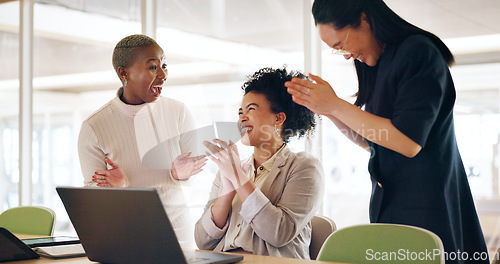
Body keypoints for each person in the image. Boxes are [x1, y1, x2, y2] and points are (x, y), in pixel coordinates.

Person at [285, 0, 489, 263]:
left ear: (364, 19)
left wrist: (336, 104)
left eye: (341, 44)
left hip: (427, 206)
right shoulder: (378, 64)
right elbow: (375, 142)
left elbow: (407, 142)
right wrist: (330, 111)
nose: (346, 54)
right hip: (390, 206)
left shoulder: (418, 52)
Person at [77, 34, 206, 248]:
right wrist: (117, 189)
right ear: (124, 72)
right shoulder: (94, 126)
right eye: (153, 67)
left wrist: (176, 175)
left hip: (177, 230)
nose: (163, 75)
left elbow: (192, 177)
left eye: (164, 65)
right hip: (125, 231)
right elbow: (93, 197)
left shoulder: (178, 112)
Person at [194, 67, 324, 259]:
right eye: (240, 112)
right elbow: (203, 240)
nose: (242, 118)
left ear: (278, 118)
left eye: (251, 110)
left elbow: (279, 233)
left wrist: (237, 177)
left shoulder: (304, 167)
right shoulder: (232, 168)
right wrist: (227, 190)